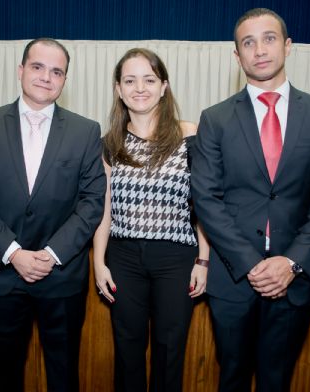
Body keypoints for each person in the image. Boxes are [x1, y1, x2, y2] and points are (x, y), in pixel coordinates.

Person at [191, 8, 310, 392]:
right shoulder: (215, 119)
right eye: (248, 42)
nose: (259, 49)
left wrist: (292, 262)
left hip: (294, 280)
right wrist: (252, 265)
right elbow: (206, 199)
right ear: (237, 56)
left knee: (277, 380)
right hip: (233, 279)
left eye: (269, 38)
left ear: (288, 46)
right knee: (231, 377)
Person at [0, 38, 106, 392]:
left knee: (63, 373)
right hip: (1, 275)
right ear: (21, 70)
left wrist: (50, 254)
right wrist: (13, 252)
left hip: (61, 276)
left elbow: (92, 202)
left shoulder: (86, 131)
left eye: (57, 71)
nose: (46, 77)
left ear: (65, 80)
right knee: (3, 374)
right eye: (38, 67)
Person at [93, 48, 209, 392]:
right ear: (118, 88)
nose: (139, 87)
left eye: (149, 79)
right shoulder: (109, 142)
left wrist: (204, 259)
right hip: (123, 257)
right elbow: (104, 208)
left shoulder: (190, 135)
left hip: (177, 258)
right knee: (127, 350)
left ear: (163, 86)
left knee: (169, 349)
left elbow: (202, 203)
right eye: (130, 80)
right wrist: (98, 262)